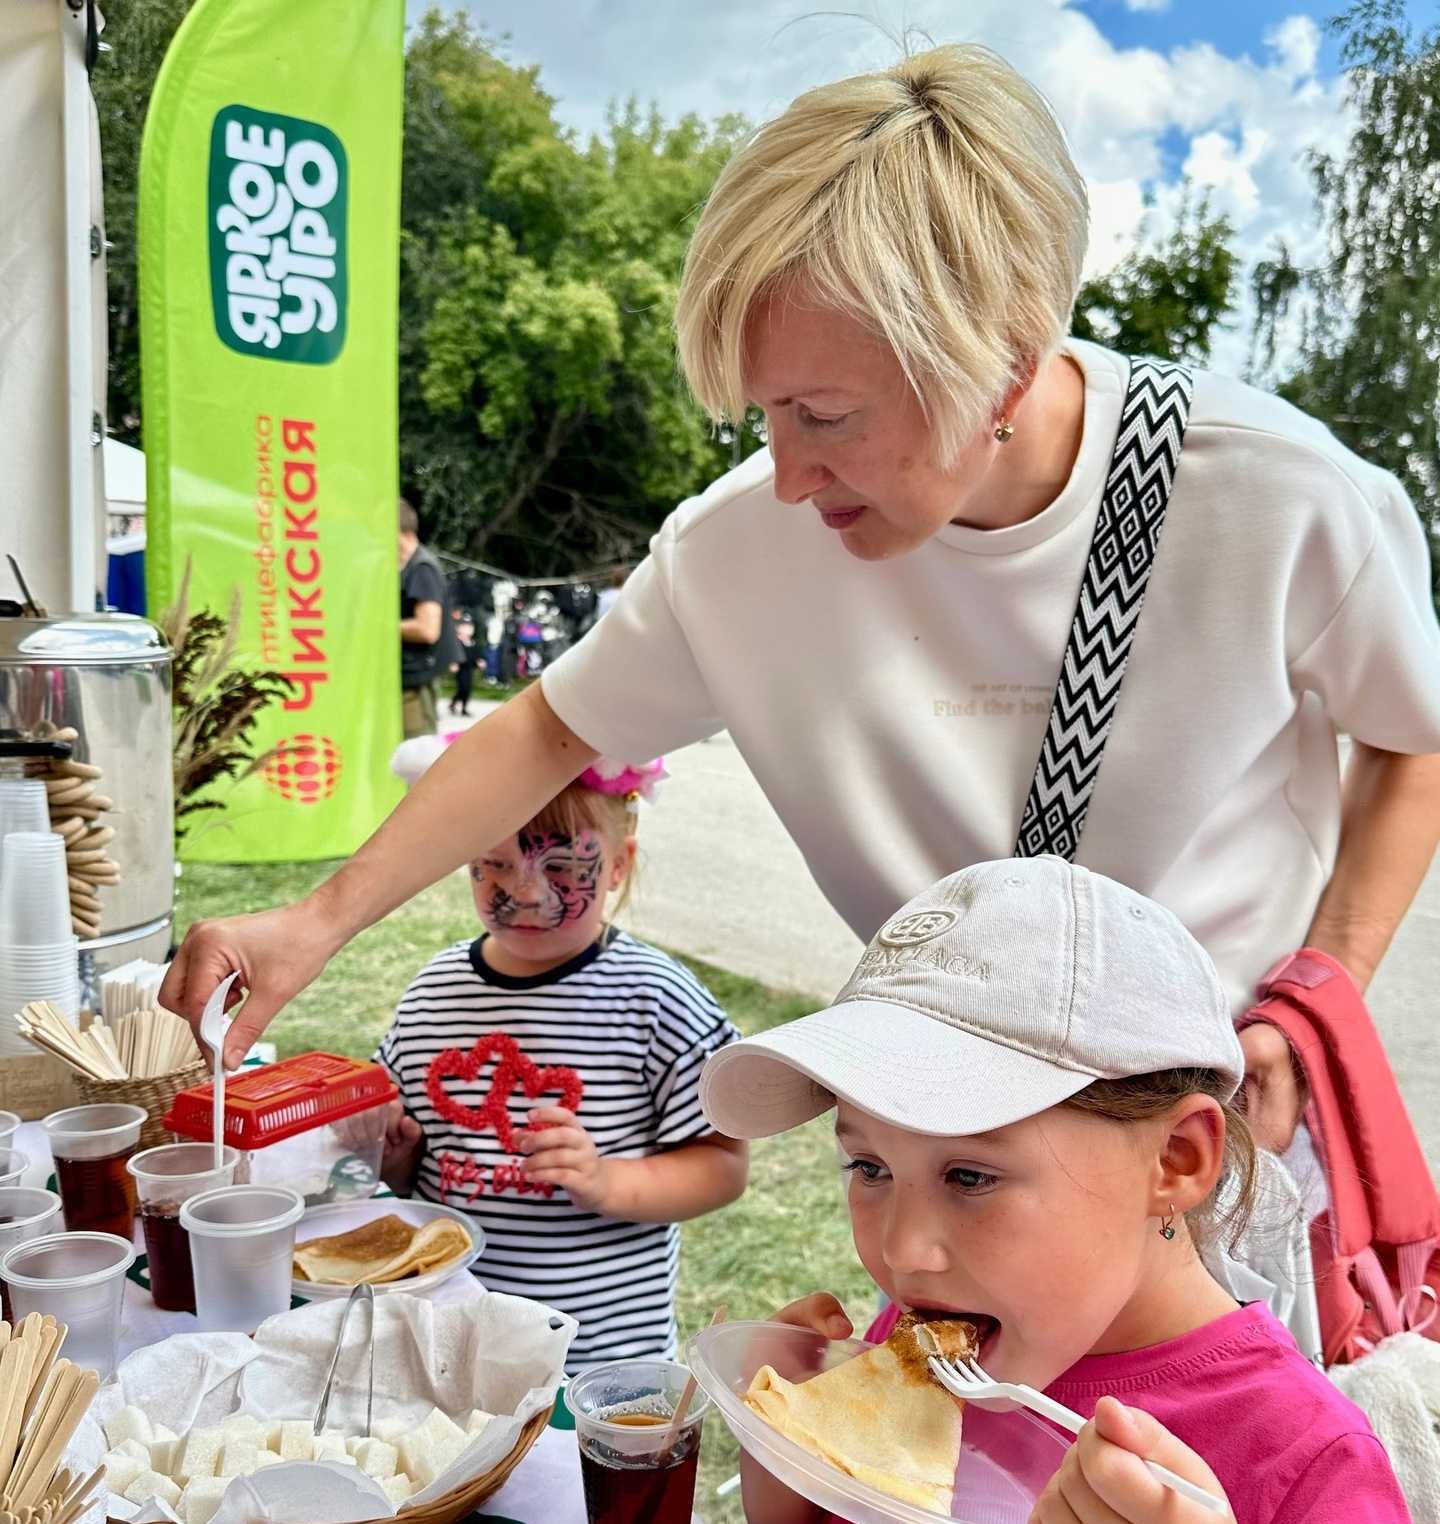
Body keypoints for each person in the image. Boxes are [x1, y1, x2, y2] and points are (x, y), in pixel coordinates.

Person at [165, 42, 1440, 1183]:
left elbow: (1412, 740)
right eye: (764, 414)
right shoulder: (739, 548)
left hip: (1210, 1141)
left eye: (826, 416)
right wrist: (313, 921)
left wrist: (1322, 985)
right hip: (936, 1141)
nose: (786, 475)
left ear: (1000, 352)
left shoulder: (1276, 496)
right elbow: (549, 730)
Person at [697, 856, 1440, 1524]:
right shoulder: (940, 1329)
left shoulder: (1293, 1458)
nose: (903, 1250)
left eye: (970, 1176)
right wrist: (796, 1427)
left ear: (1178, 1160)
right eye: (867, 1167)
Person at [375, 757, 748, 1364]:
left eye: (562, 866)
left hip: (599, 1363)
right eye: (495, 864)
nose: (524, 890)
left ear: (619, 864)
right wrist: (394, 1154)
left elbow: (723, 1165)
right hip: (451, 1344)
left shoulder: (656, 999)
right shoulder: (432, 993)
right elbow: (413, 1164)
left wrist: (605, 1182)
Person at [397, 498, 455, 739]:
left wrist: (379, 627)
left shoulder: (421, 568)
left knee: (416, 756)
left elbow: (428, 628)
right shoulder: (410, 566)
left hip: (417, 683)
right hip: (410, 677)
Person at [449, 609, 478, 717]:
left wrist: (479, 661)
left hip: (469, 669)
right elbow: (453, 654)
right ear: (458, 628)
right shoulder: (457, 643)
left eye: (470, 627)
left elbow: (475, 656)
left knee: (468, 689)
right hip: (460, 669)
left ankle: (464, 708)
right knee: (462, 687)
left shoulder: (472, 643)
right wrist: (453, 663)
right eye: (464, 627)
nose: (467, 629)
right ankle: (454, 703)